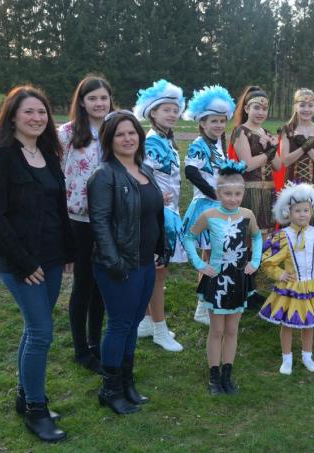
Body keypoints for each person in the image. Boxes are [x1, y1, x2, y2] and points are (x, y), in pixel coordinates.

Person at [0, 86, 74, 441]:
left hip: (52, 257)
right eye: (29, 112)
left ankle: (25, 397)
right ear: (12, 116)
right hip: (22, 263)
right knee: (40, 332)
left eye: (42, 112)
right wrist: (23, 262)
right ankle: (37, 410)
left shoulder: (50, 155)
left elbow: (58, 208)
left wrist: (69, 252)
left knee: (33, 329)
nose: (37, 118)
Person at [88, 110, 168, 414]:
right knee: (120, 324)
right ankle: (110, 389)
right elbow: (100, 223)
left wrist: (161, 247)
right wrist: (115, 263)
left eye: (132, 132)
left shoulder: (143, 169)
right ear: (109, 139)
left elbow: (154, 213)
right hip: (120, 264)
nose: (127, 138)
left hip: (146, 261)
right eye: (120, 134)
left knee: (133, 323)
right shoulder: (104, 174)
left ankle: (126, 382)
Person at [183, 160, 263, 395]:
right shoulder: (209, 215)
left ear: (243, 193)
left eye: (237, 194)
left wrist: (255, 262)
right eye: (227, 194)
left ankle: (228, 373)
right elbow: (188, 237)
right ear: (218, 193)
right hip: (217, 280)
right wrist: (199, 263)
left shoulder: (247, 215)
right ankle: (214, 376)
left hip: (239, 279)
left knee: (232, 330)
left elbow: (257, 238)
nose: (232, 199)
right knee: (217, 330)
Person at [57, 74, 112, 374]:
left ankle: (95, 344)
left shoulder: (114, 129)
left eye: (103, 98)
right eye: (93, 98)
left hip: (108, 219)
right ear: (82, 101)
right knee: (83, 283)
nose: (99, 103)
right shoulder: (66, 134)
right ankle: (80, 349)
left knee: (102, 284)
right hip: (78, 219)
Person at [132, 79, 185, 352]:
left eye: (175, 110)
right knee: (158, 272)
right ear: (152, 112)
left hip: (168, 213)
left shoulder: (167, 140)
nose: (172, 114)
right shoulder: (152, 141)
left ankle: (147, 320)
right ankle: (160, 330)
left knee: (156, 272)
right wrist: (155, 195)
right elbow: (144, 173)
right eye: (166, 109)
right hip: (157, 215)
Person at [259, 183, 314, 374]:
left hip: (311, 286)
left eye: (306, 210)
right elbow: (267, 261)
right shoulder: (283, 236)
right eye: (297, 211)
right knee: (288, 324)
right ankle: (287, 359)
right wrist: (279, 274)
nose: (302, 214)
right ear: (288, 213)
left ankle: (307, 356)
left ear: (312, 211)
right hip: (291, 288)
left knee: (309, 324)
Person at [181, 85, 237, 326]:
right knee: (207, 256)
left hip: (219, 205)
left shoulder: (216, 144)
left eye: (222, 121)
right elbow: (191, 171)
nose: (218, 126)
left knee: (216, 255)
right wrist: (213, 193)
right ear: (202, 123)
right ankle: (202, 307)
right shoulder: (199, 144)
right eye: (213, 121)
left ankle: (210, 299)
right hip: (206, 206)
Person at [229, 86, 281, 240]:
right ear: (246, 108)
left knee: (267, 233)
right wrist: (269, 153)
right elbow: (248, 165)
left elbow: (278, 166)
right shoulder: (240, 131)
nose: (261, 112)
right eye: (256, 108)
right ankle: (247, 263)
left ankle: (263, 264)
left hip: (269, 190)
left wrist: (272, 147)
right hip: (250, 190)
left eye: (264, 109)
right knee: (249, 235)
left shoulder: (266, 132)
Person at [278, 88, 314, 229]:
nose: (306, 109)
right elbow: (286, 160)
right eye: (302, 105)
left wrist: (307, 146)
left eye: (310, 105)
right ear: (295, 106)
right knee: (291, 231)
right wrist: (302, 147)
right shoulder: (287, 130)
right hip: (292, 190)